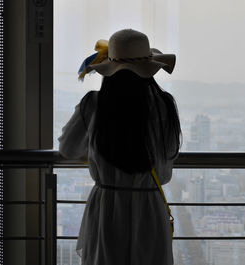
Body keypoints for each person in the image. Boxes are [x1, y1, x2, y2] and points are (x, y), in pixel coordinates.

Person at [58, 29, 182, 265]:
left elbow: (67, 149)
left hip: (107, 208)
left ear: (109, 71)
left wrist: (95, 151)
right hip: (149, 208)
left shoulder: (93, 105)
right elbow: (164, 174)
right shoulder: (163, 106)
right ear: (149, 71)